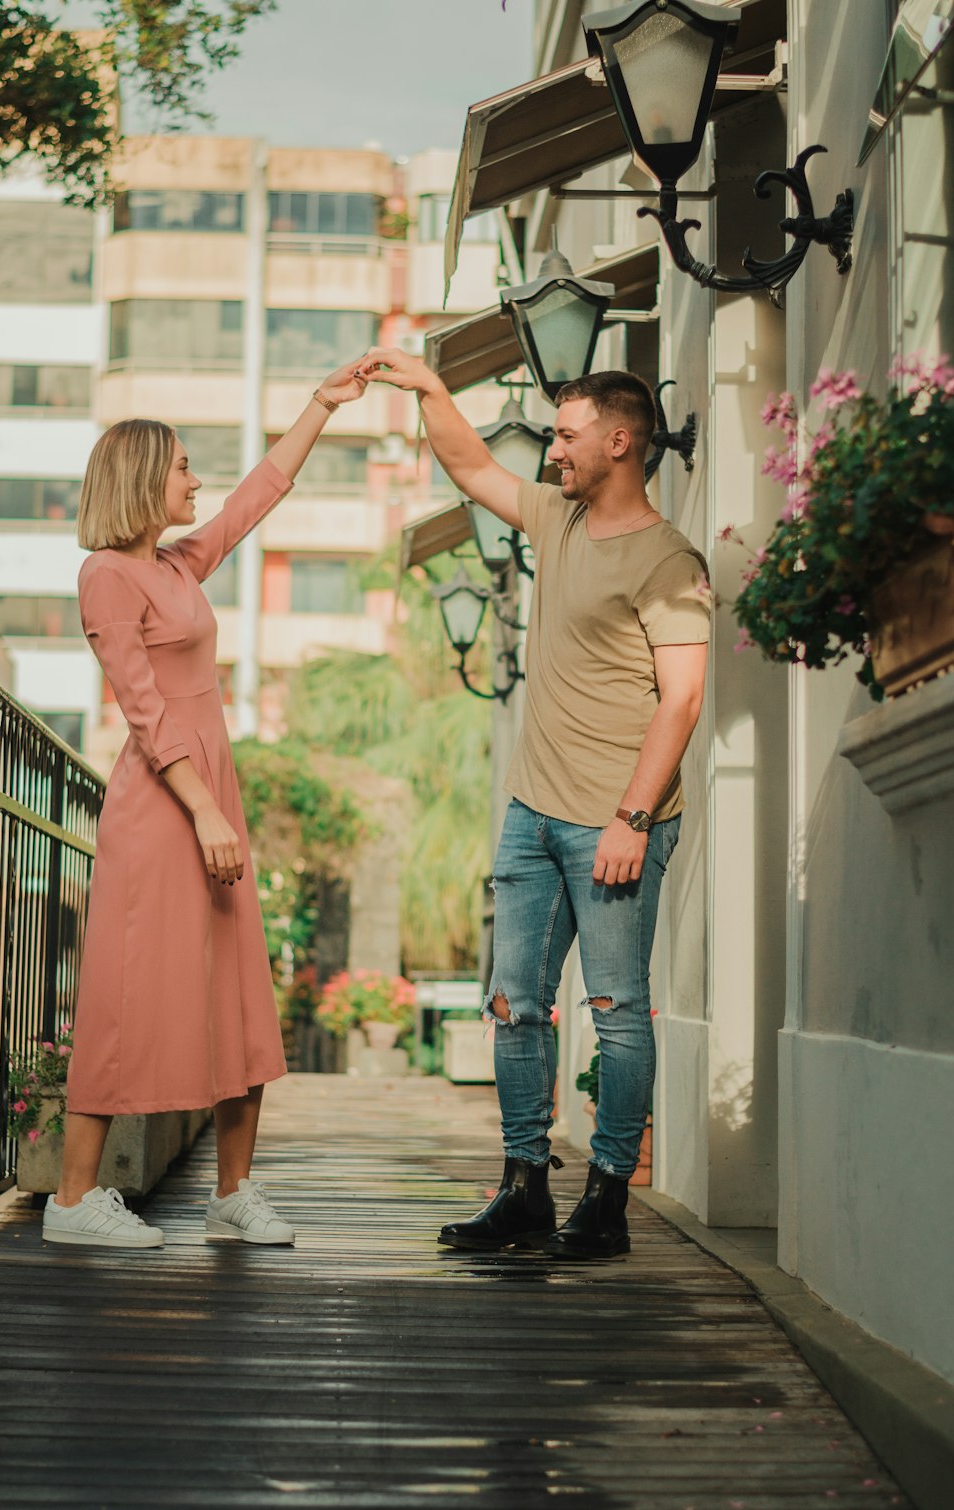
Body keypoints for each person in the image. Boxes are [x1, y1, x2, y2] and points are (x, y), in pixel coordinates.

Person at [360, 351, 711, 1260]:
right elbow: (472, 468)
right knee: (516, 1004)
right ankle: (523, 1188)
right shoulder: (555, 519)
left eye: (566, 435)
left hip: (617, 820)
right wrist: (431, 391)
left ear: (620, 441)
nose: (553, 452)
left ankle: (605, 1202)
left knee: (617, 1008)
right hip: (531, 812)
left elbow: (681, 698)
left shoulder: (669, 559)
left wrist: (633, 817)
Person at [43, 364, 368, 1249]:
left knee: (234, 986)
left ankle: (233, 1191)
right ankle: (72, 1203)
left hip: (206, 797)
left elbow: (262, 492)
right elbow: (141, 707)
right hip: (163, 807)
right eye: (184, 467)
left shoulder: (180, 564)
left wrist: (321, 407)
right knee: (124, 991)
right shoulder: (107, 575)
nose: (196, 482)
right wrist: (204, 812)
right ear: (146, 480)